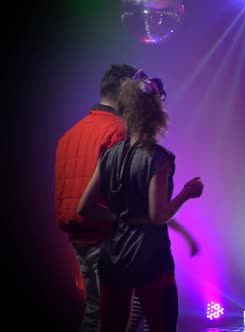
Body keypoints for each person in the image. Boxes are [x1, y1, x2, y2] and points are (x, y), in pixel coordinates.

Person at [77, 69, 204, 332]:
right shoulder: (158, 158)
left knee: (111, 327)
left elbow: (84, 208)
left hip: (113, 255)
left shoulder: (108, 156)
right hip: (151, 256)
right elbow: (158, 215)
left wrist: (119, 217)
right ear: (155, 113)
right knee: (162, 325)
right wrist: (186, 194)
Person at [55, 63, 138, 331]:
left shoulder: (68, 136)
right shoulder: (119, 131)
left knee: (95, 313)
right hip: (108, 239)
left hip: (79, 238)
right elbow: (124, 192)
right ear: (125, 92)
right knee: (115, 318)